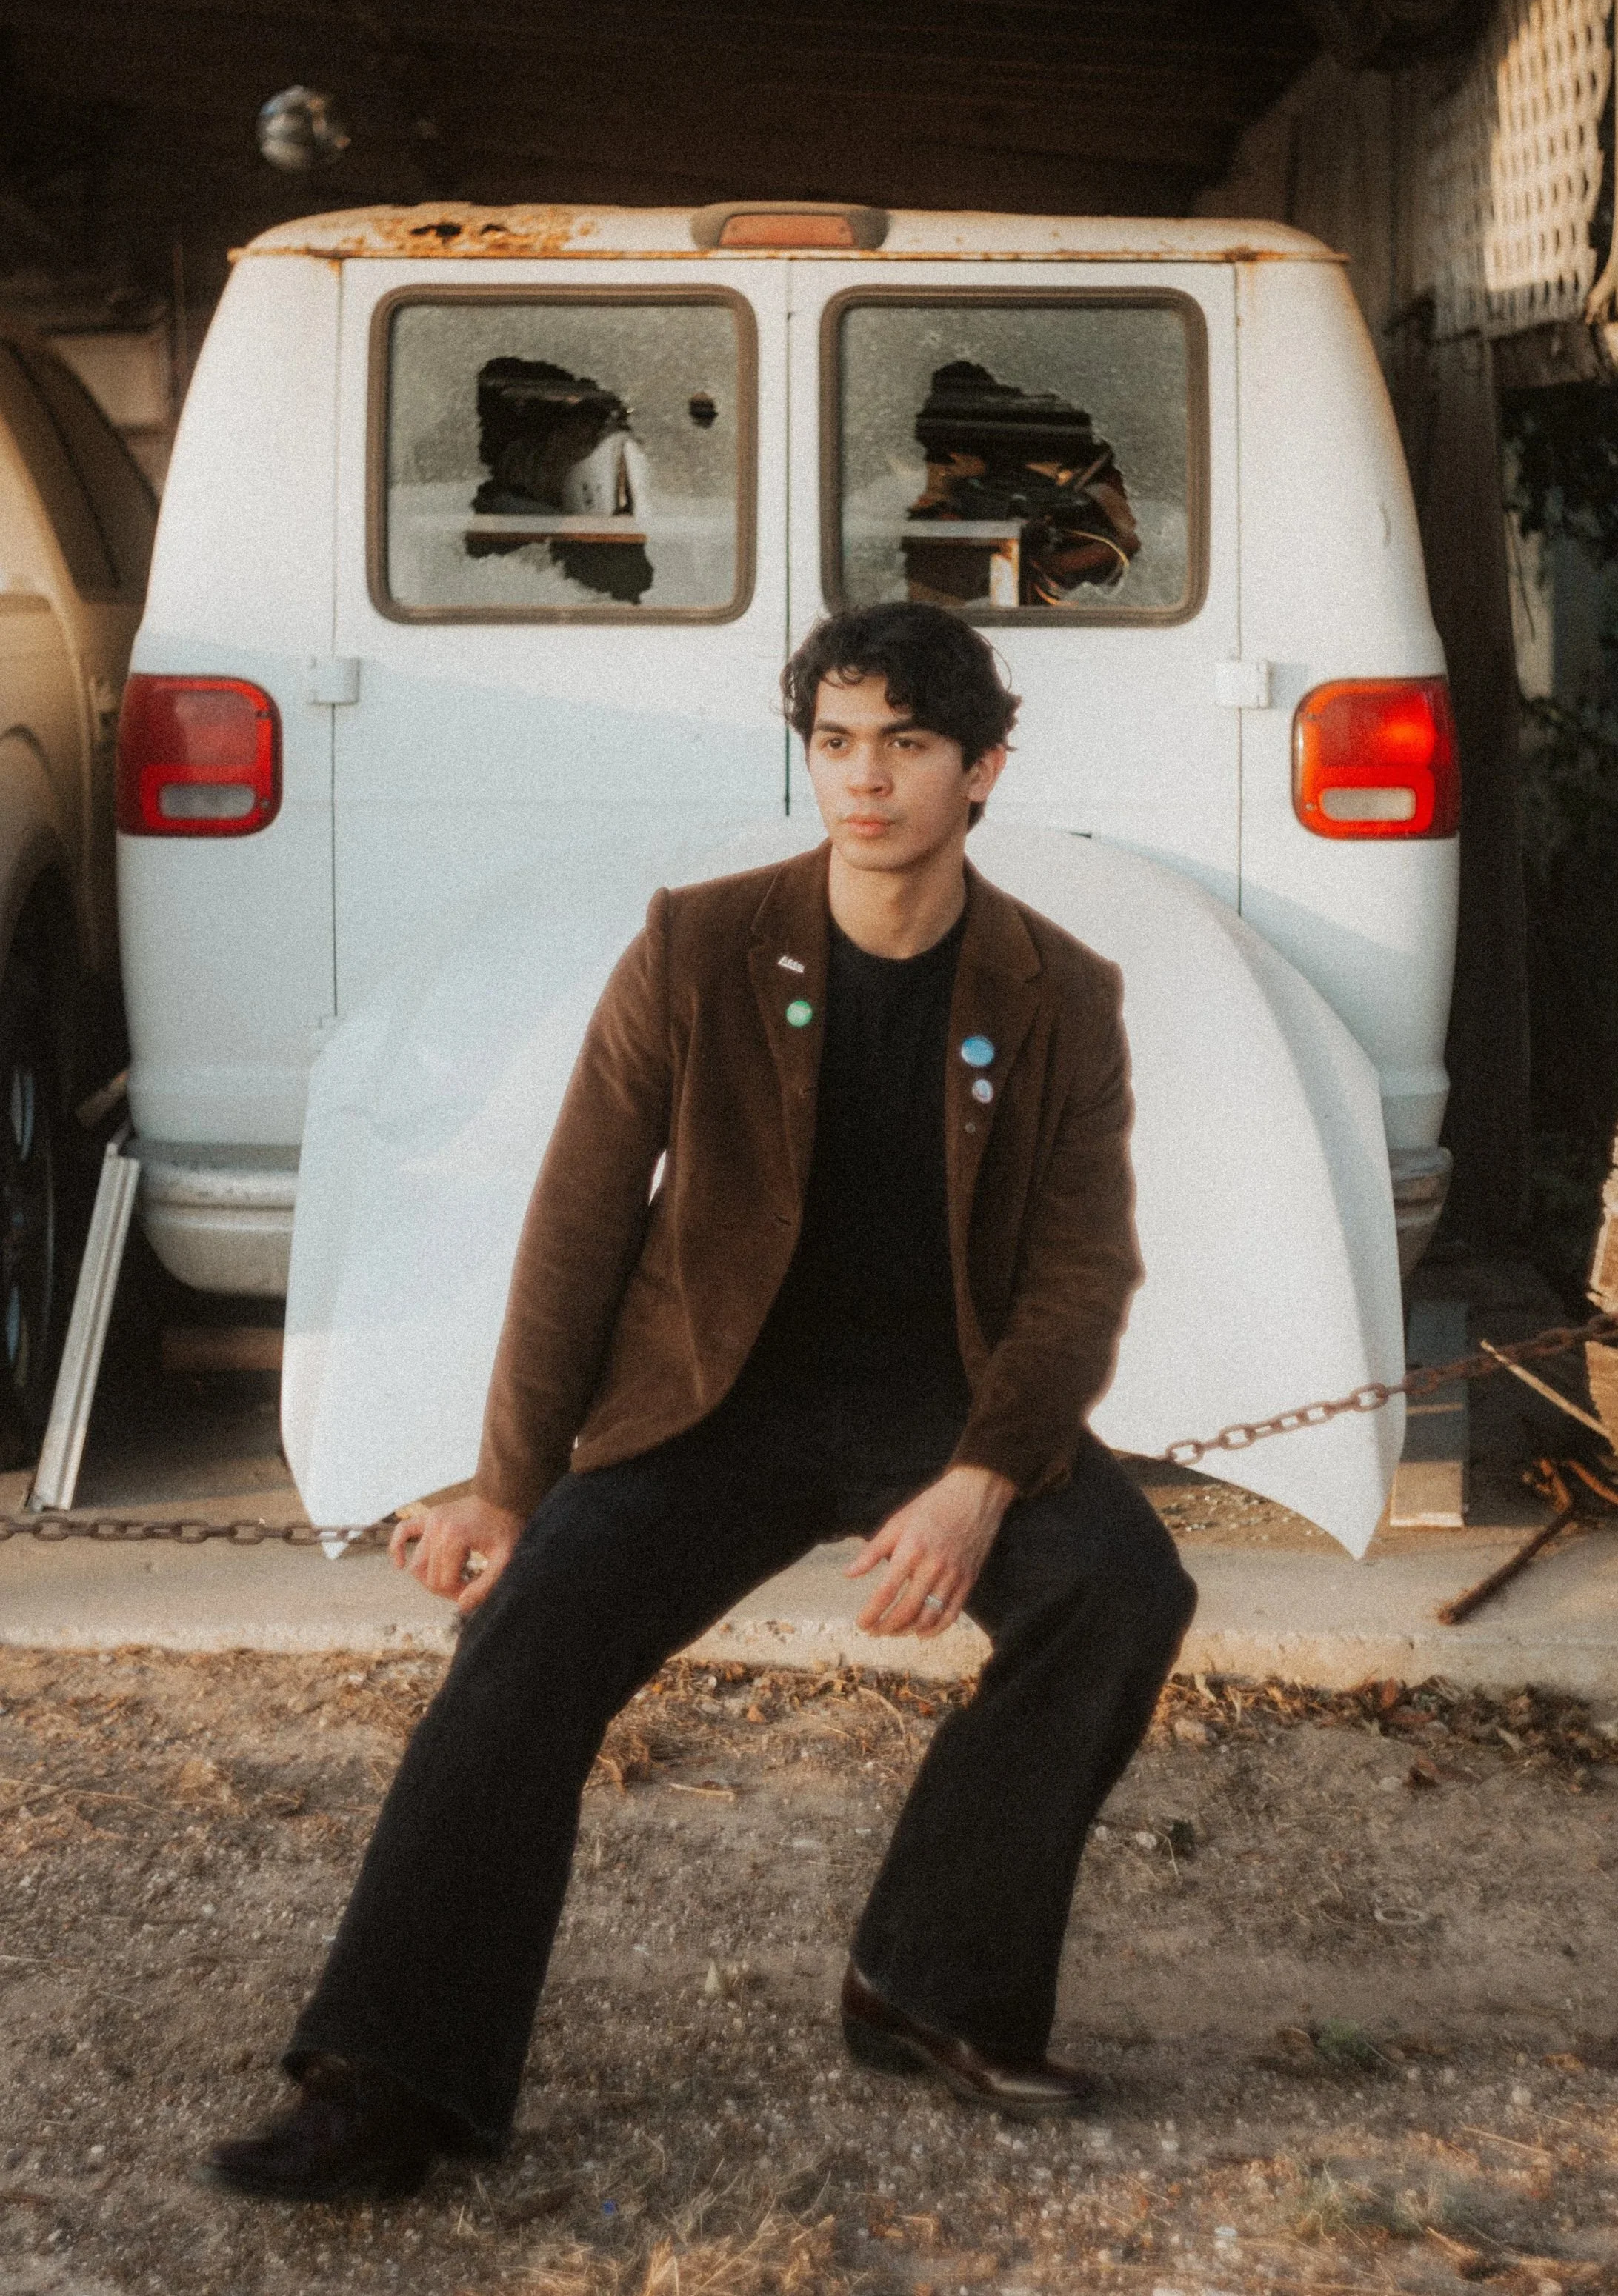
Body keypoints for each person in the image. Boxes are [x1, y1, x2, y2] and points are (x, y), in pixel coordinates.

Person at [207, 601, 1196, 2201]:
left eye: (909, 745)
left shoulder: (1059, 989)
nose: (864, 780)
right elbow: (579, 1222)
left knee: (1125, 1588)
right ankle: (386, 2080)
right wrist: (510, 1485)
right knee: (528, 1641)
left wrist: (982, 1480)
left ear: (985, 770)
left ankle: (930, 1982)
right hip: (709, 1404)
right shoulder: (697, 944)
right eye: (836, 743)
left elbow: (1083, 1274)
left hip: (935, 1411)